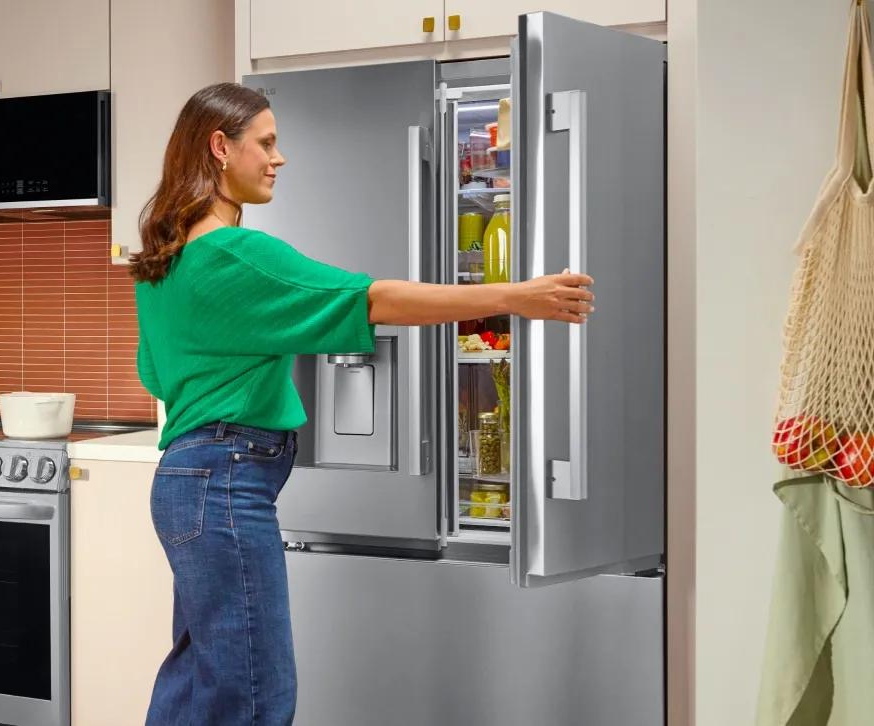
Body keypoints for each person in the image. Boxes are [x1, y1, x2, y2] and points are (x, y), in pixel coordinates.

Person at [131, 82, 595, 726]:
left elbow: (156, 374)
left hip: (185, 480)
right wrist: (514, 295)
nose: (278, 158)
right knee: (254, 694)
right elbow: (373, 299)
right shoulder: (236, 253)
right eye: (266, 143)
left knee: (202, 681)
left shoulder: (164, 262)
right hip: (226, 480)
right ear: (219, 147)